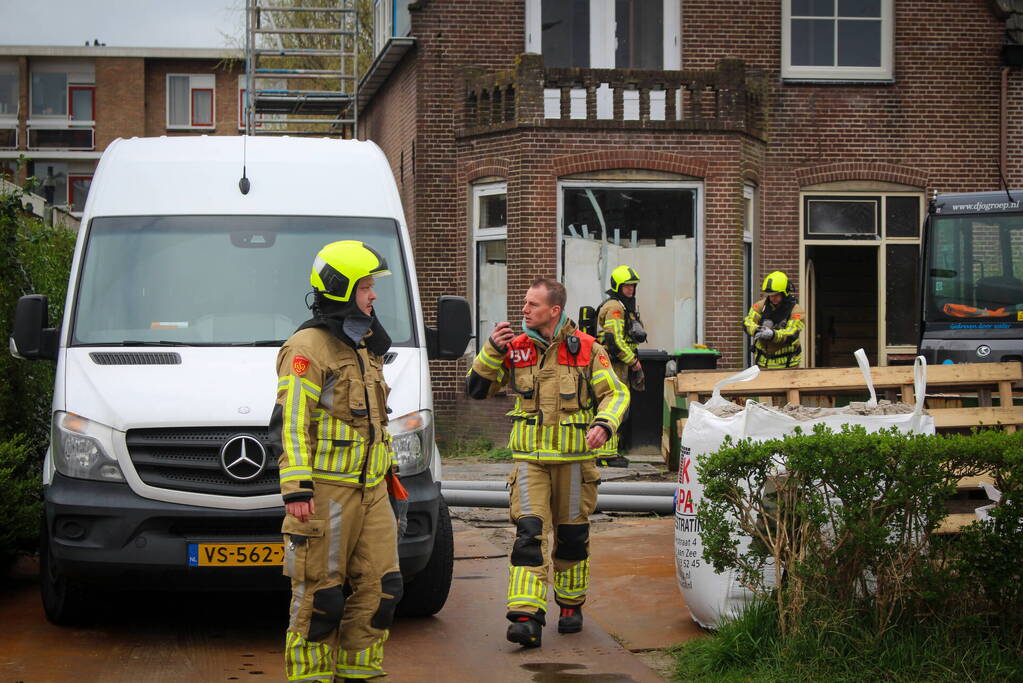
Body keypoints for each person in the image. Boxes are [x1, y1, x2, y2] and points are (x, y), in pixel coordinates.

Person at [466, 277, 630, 649]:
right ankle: (526, 616)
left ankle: (570, 606)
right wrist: (491, 349)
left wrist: (605, 424)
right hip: (529, 461)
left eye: (532, 305)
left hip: (574, 462)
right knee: (528, 535)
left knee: (571, 539)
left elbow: (615, 394)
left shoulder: (588, 348)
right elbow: (476, 388)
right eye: (525, 303)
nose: (524, 310)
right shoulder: (515, 348)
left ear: (554, 310)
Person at [270, 240, 403, 682]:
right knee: (320, 600)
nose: (374, 295)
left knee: (383, 589)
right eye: (366, 286)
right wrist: (296, 489)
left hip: (373, 490)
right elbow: (290, 423)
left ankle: (359, 674)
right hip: (324, 494)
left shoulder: (363, 344)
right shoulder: (307, 348)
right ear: (343, 288)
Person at [594, 265, 647, 467]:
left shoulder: (624, 306)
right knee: (614, 403)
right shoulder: (615, 307)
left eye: (633, 286)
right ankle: (606, 455)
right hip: (614, 364)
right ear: (618, 286)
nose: (631, 290)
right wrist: (633, 362)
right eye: (627, 286)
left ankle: (609, 451)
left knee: (618, 404)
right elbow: (614, 340)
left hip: (620, 363)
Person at [744, 270, 805, 369]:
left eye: (776, 295)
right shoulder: (760, 306)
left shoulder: (796, 311)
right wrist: (756, 329)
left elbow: (792, 333)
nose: (772, 298)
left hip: (788, 366)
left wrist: (773, 335)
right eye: (770, 295)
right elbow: (747, 322)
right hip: (762, 364)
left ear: (784, 293)